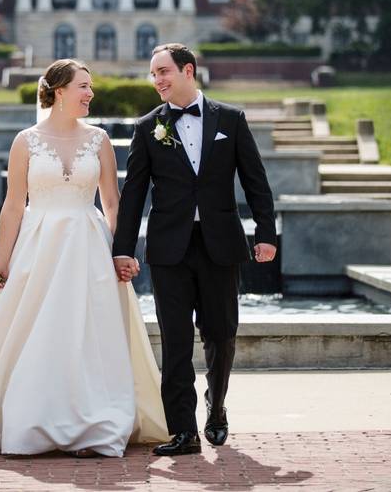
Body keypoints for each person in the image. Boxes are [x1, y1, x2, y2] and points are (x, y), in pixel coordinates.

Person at [0, 59, 167, 457]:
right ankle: (30, 417)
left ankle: (92, 420)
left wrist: (122, 251)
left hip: (88, 243)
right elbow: (13, 206)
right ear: (59, 91)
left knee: (88, 332)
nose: (90, 93)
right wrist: (2, 261)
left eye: (90, 87)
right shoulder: (25, 141)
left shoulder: (100, 140)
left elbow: (113, 202)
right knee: (35, 330)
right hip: (38, 244)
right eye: (83, 86)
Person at [113, 43, 277, 456]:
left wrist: (266, 234)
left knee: (222, 335)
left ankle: (216, 406)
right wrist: (123, 249)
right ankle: (183, 430)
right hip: (169, 249)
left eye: (163, 72)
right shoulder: (147, 127)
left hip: (220, 244)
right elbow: (133, 194)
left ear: (188, 70)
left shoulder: (231, 120)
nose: (157, 80)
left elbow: (255, 181)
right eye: (153, 74)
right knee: (176, 339)